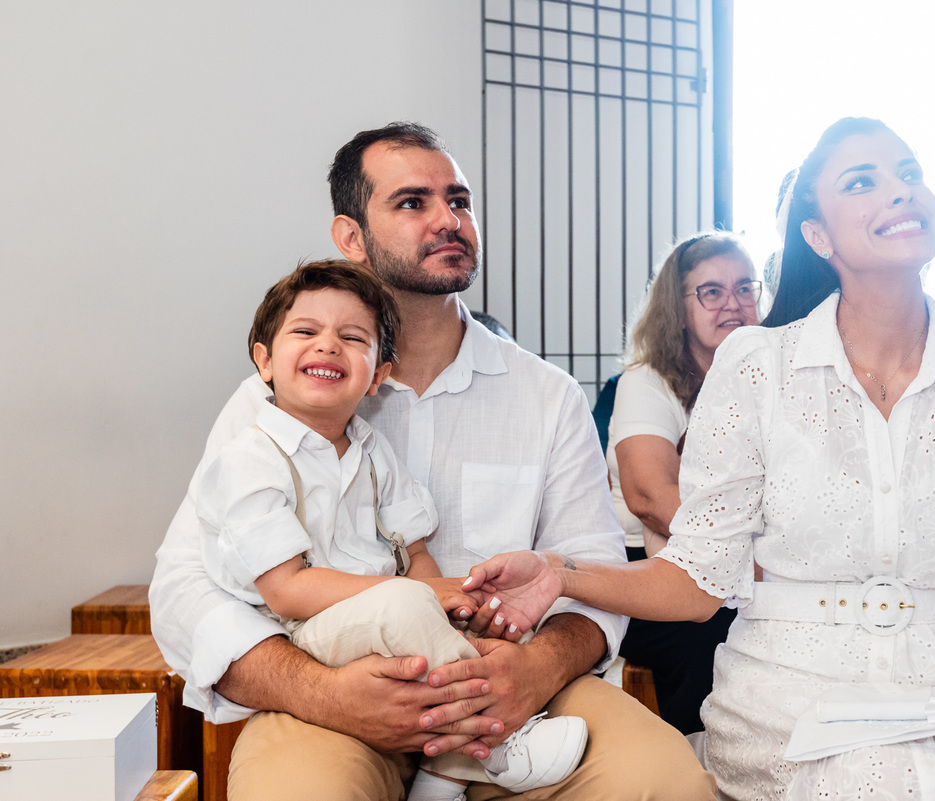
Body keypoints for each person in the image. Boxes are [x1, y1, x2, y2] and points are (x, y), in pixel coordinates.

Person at [463, 117, 935, 800]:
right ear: (817, 235)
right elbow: (698, 577)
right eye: (862, 182)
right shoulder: (757, 365)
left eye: (910, 174)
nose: (902, 193)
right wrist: (560, 572)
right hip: (790, 700)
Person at [149, 122, 718, 801]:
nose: (450, 219)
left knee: (664, 781)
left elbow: (593, 571)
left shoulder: (546, 396)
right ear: (351, 236)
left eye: (460, 200)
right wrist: (323, 691)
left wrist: (531, 673)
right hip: (331, 691)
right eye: (413, 202)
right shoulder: (270, 406)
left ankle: (483, 752)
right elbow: (183, 589)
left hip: (518, 694)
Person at [194, 260, 588, 800]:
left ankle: (442, 775)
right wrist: (419, 594)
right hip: (303, 633)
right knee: (407, 607)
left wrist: (447, 602)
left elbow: (416, 547)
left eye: (353, 338)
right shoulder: (248, 461)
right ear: (263, 361)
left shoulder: (373, 451)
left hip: (383, 618)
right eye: (305, 332)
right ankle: (497, 739)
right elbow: (286, 587)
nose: (328, 346)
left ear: (378, 375)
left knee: (460, 623)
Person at [606, 232, 758, 734]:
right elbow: (649, 498)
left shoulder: (774, 376)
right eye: (711, 292)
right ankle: (703, 769)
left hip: (748, 563)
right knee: (714, 640)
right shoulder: (647, 382)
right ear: (678, 307)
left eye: (744, 288)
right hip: (646, 566)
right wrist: (745, 557)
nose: (732, 304)